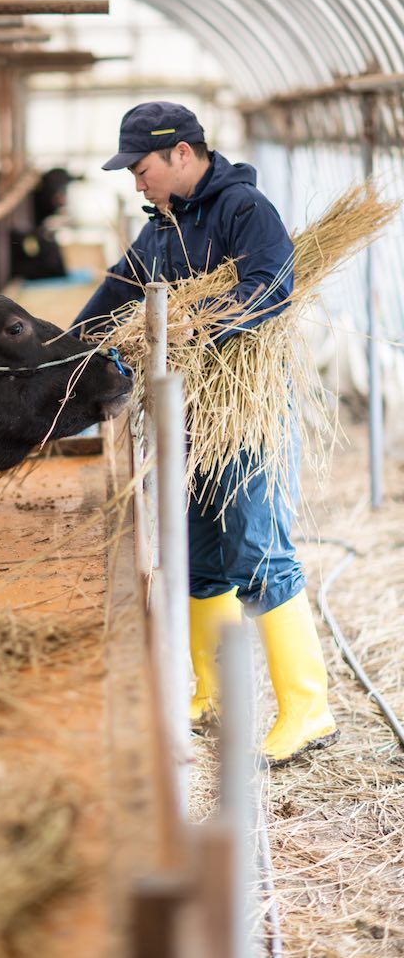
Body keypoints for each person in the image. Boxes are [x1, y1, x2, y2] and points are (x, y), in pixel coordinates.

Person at [73, 101, 339, 765]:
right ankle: (212, 691)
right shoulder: (162, 228)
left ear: (182, 154)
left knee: (258, 545)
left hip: (246, 410)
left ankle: (307, 708)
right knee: (199, 548)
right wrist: (66, 344)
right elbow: (118, 286)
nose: (136, 182)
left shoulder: (243, 211)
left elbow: (272, 283)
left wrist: (204, 324)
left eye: (141, 168)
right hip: (191, 412)